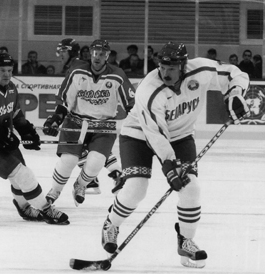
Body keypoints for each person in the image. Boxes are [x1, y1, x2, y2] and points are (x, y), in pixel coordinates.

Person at [101, 41, 250, 268]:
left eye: (171, 68)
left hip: (180, 136)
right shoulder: (149, 89)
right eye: (162, 66)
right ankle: (111, 225)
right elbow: (155, 133)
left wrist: (235, 94)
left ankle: (186, 241)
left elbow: (233, 73)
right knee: (136, 189)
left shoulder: (199, 70)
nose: (165, 72)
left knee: (191, 188)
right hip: (139, 135)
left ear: (183, 65)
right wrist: (169, 166)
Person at [0, 53, 69, 225]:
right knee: (24, 175)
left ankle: (24, 208)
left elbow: (16, 113)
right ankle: (46, 210)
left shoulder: (11, 88)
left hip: (5, 140)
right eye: (2, 70)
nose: (7, 74)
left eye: (10, 70)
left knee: (19, 177)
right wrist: (1, 136)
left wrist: (26, 130)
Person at [42, 39, 135, 207]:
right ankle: (54, 191)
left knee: (96, 161)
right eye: (94, 53)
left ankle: (81, 185)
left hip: (103, 125)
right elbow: (64, 99)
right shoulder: (77, 72)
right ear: (89, 54)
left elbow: (131, 102)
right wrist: (56, 119)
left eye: (102, 54)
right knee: (68, 161)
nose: (97, 57)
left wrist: (138, 122)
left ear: (107, 56)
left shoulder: (117, 75)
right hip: (76, 122)